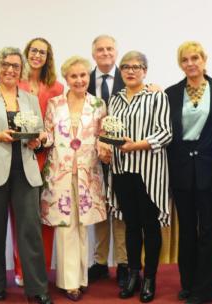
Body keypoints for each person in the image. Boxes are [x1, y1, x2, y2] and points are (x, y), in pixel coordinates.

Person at [0, 47, 53, 304]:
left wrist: (38, 141)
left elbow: (39, 132)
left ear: (21, 70)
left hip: (25, 170)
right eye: (5, 64)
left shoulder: (29, 98)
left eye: (15, 66)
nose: (10, 69)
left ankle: (38, 287)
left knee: (30, 231)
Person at [165, 41, 212, 304]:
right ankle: (188, 284)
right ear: (180, 64)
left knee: (208, 230)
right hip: (181, 169)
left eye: (195, 58)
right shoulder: (171, 93)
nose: (191, 63)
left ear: (204, 60)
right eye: (185, 60)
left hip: (209, 169)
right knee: (187, 230)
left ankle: (205, 289)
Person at [107, 51, 172, 303]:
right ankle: (134, 274)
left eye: (136, 67)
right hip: (122, 171)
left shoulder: (157, 96)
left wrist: (137, 146)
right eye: (125, 67)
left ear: (145, 70)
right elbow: (111, 131)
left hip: (149, 172)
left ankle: (150, 279)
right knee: (131, 226)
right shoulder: (116, 99)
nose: (130, 71)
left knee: (150, 226)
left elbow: (165, 134)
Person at [41, 56, 107, 301]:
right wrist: (39, 138)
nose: (79, 80)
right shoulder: (54, 104)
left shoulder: (98, 104)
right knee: (65, 226)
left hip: (88, 173)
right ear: (66, 78)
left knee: (81, 226)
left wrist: (105, 147)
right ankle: (68, 282)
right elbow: (48, 135)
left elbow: (103, 136)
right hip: (60, 171)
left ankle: (80, 278)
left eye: (83, 75)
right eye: (73, 76)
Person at [12, 37, 64, 287]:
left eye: (42, 52)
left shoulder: (57, 87)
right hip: (18, 156)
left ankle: (41, 268)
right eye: (33, 51)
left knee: (45, 216)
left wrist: (43, 140)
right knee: (21, 216)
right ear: (27, 53)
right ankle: (21, 269)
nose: (37, 56)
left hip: (47, 157)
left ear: (48, 57)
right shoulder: (13, 83)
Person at [86, 34, 128, 286]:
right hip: (93, 156)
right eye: (100, 49)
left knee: (121, 211)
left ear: (116, 52)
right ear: (94, 54)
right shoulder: (83, 80)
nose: (105, 53)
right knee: (99, 210)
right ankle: (100, 262)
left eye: (109, 48)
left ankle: (123, 263)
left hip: (123, 156)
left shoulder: (130, 78)